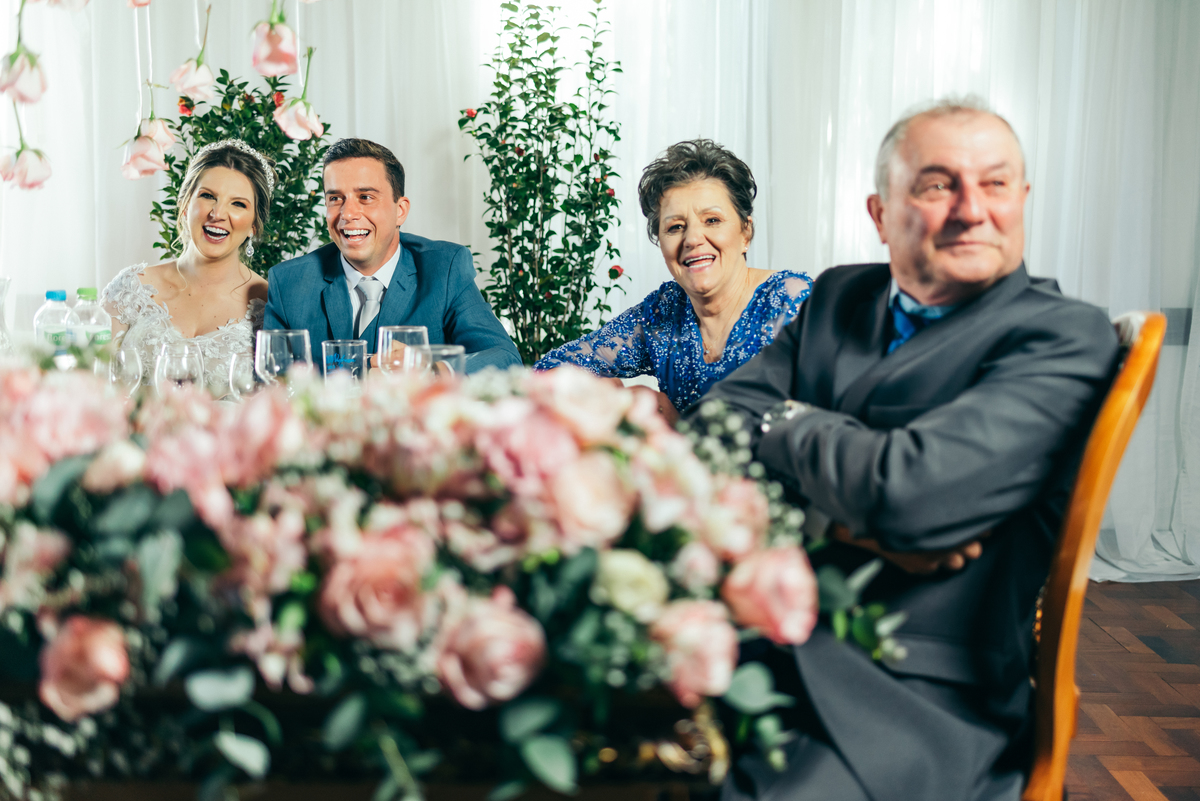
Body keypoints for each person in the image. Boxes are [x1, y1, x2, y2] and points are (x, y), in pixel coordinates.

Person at [701, 98, 1121, 801]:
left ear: (1022, 199)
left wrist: (782, 424)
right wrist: (836, 516)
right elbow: (711, 430)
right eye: (937, 184)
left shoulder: (1064, 335)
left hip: (917, 703)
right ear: (879, 212)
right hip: (756, 641)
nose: (971, 208)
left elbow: (909, 496)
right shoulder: (838, 296)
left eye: (995, 183)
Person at [534, 140, 811, 421]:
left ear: (745, 233)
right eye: (675, 227)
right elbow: (548, 371)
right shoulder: (663, 313)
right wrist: (618, 398)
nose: (692, 239)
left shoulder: (792, 301)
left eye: (712, 220)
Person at [264, 138, 520, 374]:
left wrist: (431, 371)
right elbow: (272, 382)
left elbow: (504, 357)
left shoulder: (445, 268)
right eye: (335, 198)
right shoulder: (288, 282)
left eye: (365, 197)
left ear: (400, 210)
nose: (348, 213)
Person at [103, 139, 271, 396]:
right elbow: (93, 382)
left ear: (253, 226)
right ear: (184, 206)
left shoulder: (270, 303)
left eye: (238, 204)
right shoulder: (131, 288)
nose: (217, 213)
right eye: (207, 196)